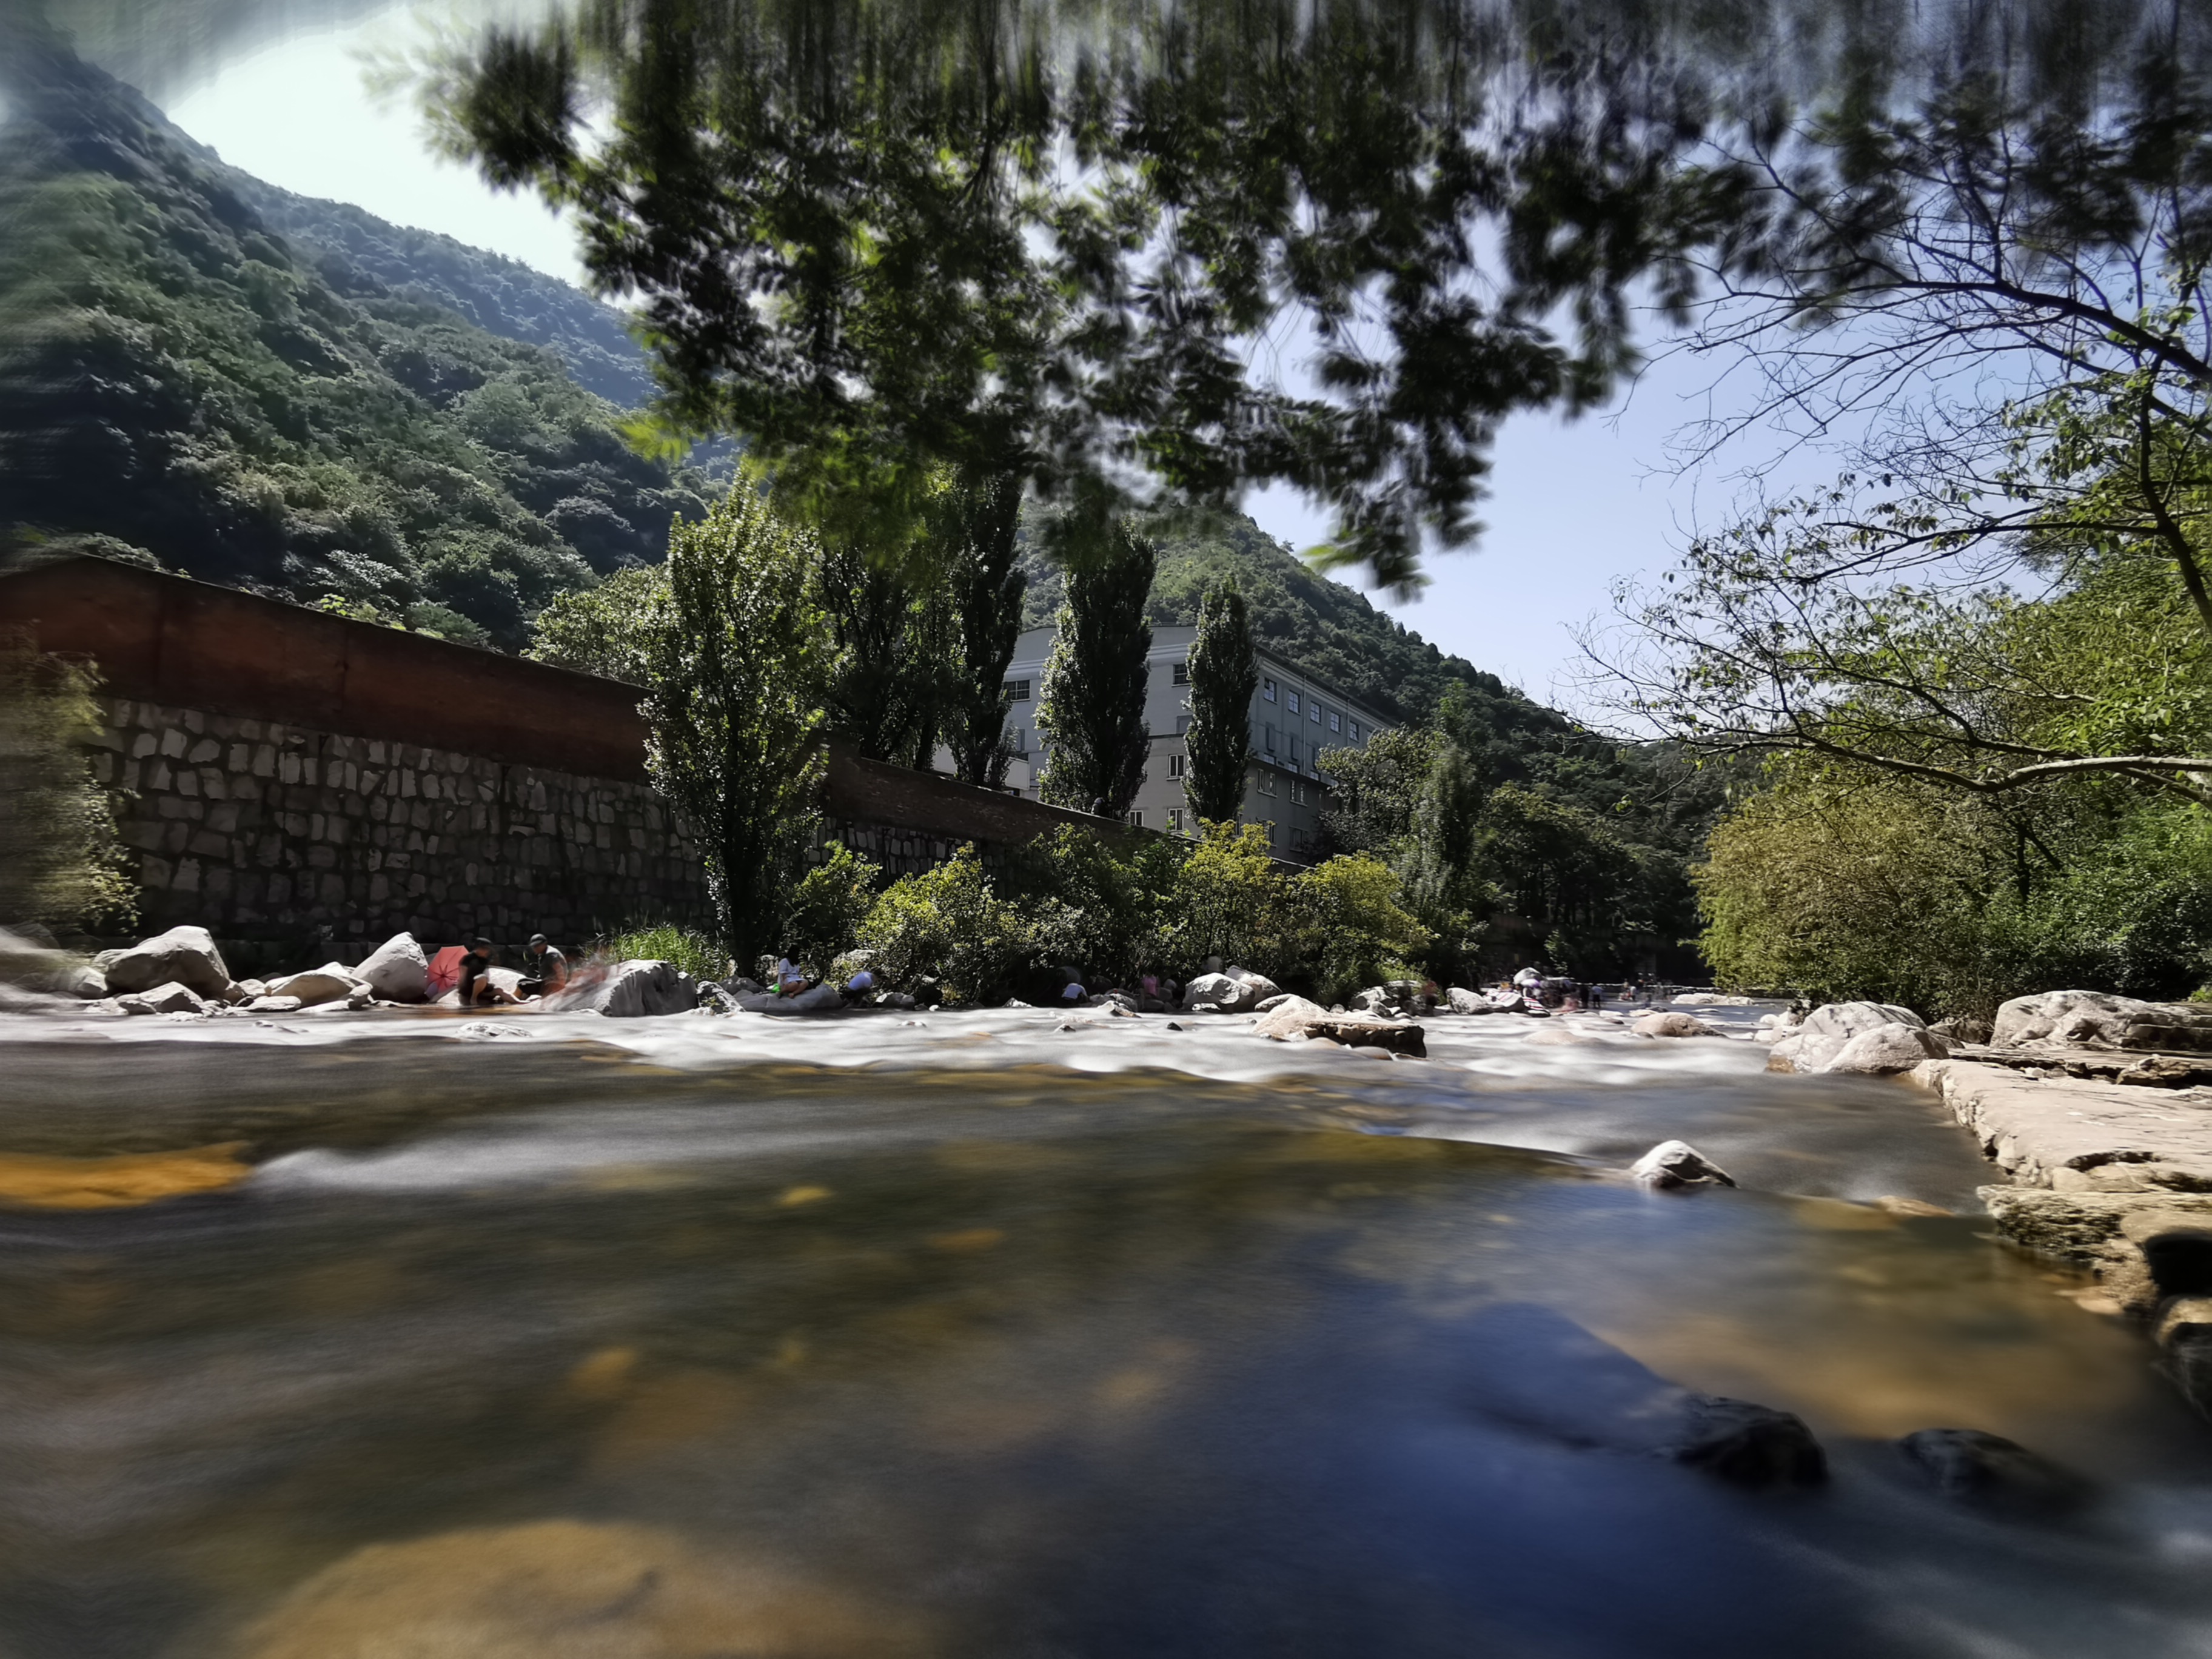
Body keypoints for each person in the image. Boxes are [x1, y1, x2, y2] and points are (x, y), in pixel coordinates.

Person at [456, 937, 517, 1007]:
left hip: (481, 988)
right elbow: (463, 975)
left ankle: (518, 1002)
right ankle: (473, 999)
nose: (487, 952)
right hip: (470, 987)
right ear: (479, 948)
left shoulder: (484, 959)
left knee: (499, 990)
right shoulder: (468, 959)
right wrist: (461, 986)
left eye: (488, 950)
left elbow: (487, 972)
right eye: (485, 949)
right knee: (482, 977)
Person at [520, 933, 569, 998]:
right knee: (523, 981)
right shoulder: (542, 953)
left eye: (537, 946)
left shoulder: (550, 954)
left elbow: (560, 970)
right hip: (545, 982)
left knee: (522, 985)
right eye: (534, 946)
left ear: (544, 944)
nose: (535, 948)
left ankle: (514, 1001)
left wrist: (561, 988)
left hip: (552, 984)